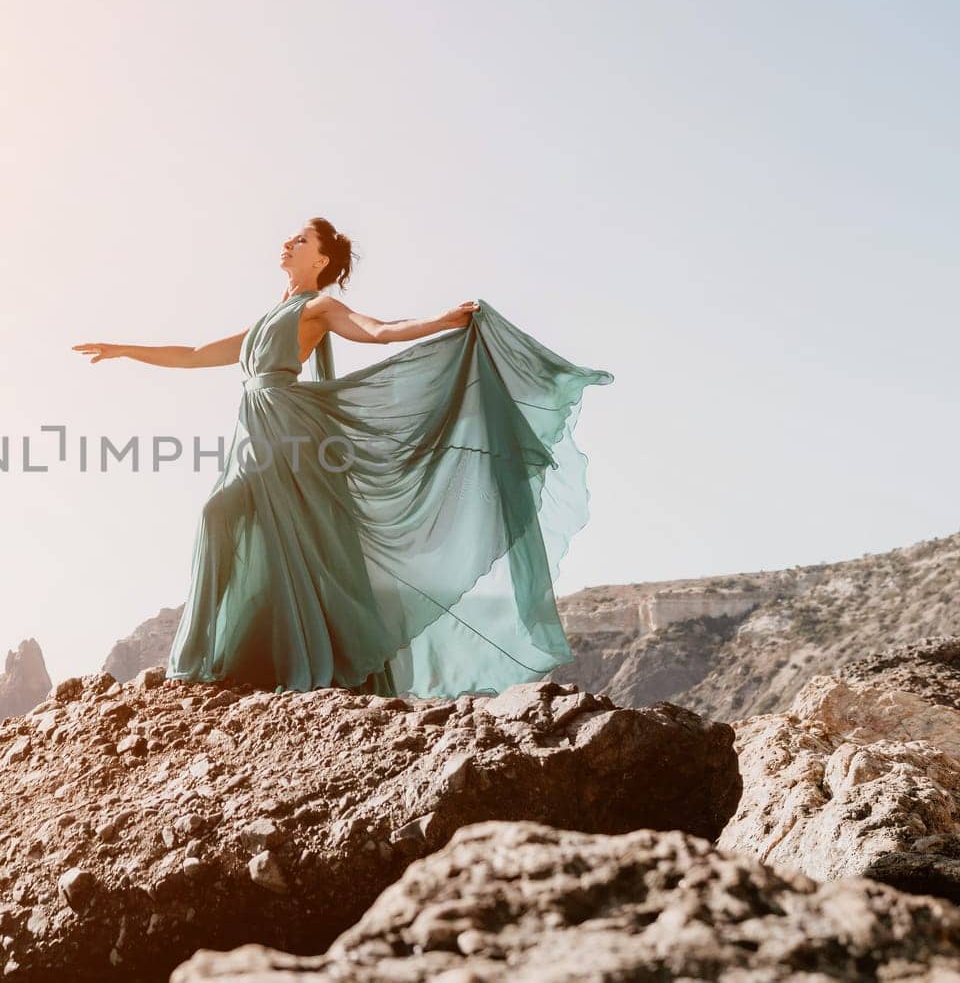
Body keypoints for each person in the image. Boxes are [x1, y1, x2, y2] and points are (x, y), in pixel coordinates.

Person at [71, 217, 613, 700]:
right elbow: (193, 355)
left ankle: (204, 662)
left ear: (322, 259)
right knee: (233, 524)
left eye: (300, 238)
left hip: (288, 436)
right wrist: (125, 349)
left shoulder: (319, 307)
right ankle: (226, 657)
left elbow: (377, 332)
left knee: (231, 521)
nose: (288, 241)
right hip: (255, 435)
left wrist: (442, 322)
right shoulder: (267, 319)